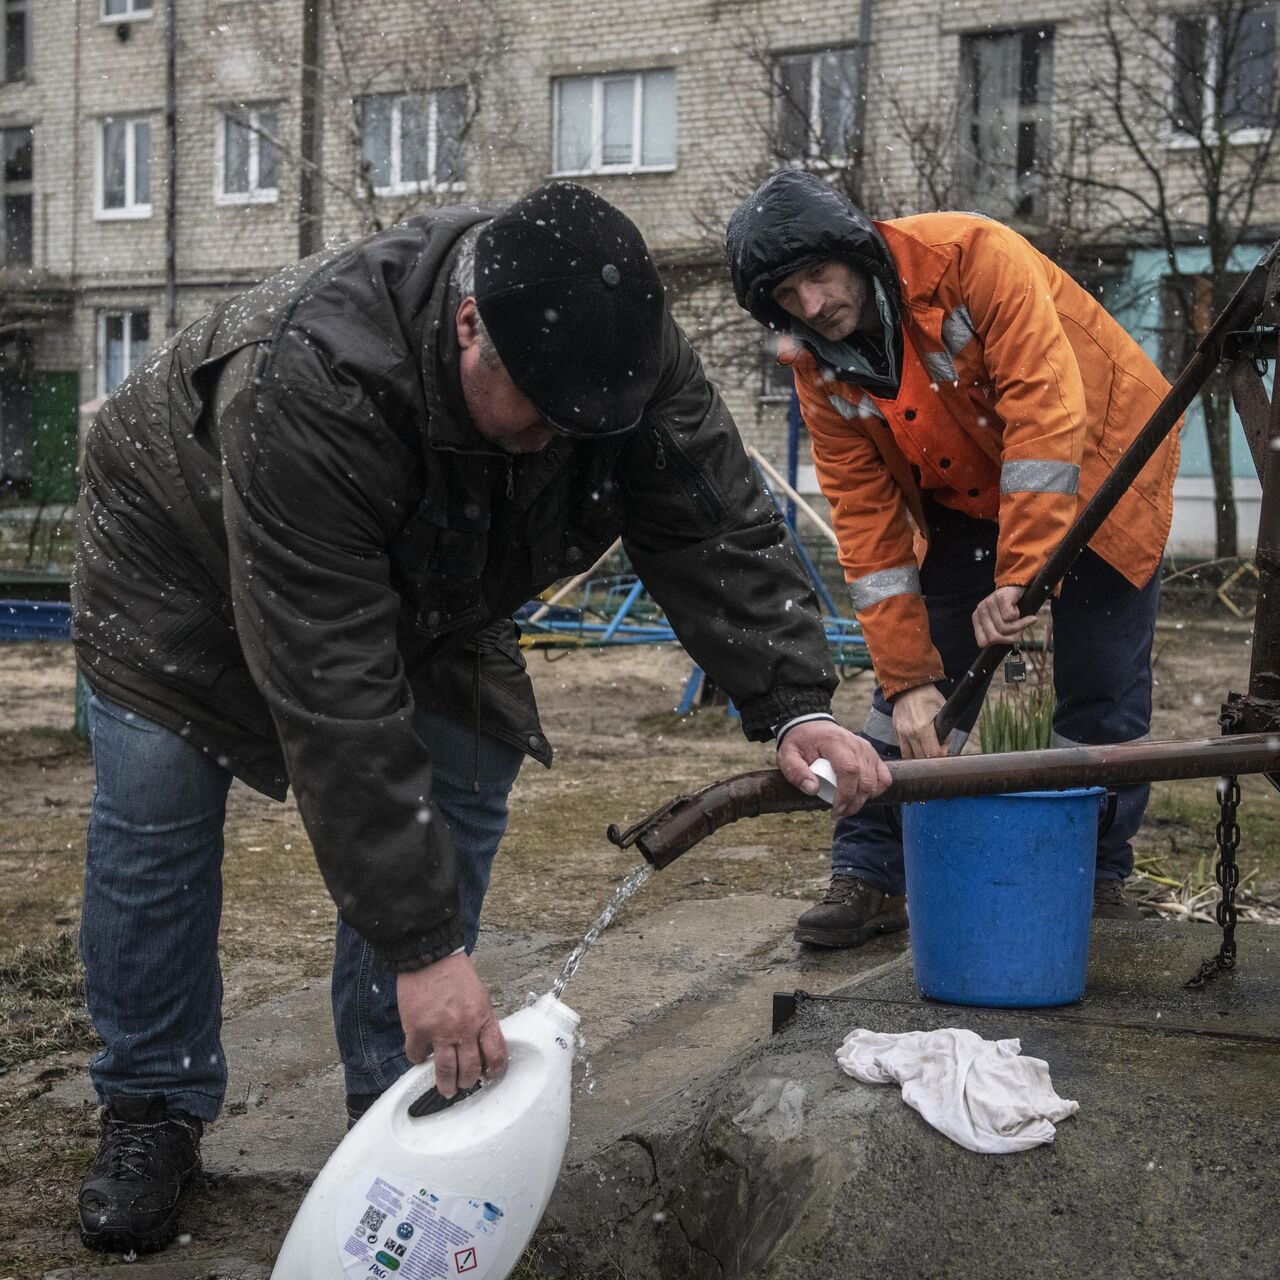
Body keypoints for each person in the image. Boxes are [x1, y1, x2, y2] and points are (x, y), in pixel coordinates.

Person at [70, 180, 890, 1254]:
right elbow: (332, 683)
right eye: (543, 413)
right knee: (158, 818)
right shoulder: (311, 378)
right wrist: (420, 941)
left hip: (443, 569)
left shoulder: (615, 357)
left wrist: (790, 705)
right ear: (469, 326)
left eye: (583, 426)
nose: (561, 439)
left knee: (465, 779)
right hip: (175, 554)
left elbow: (708, 519)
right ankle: (151, 1105)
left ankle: (397, 1088)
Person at [725, 169, 1179, 949]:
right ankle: (870, 877)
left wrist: (1020, 581)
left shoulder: (974, 256)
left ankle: (1095, 880)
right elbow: (867, 530)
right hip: (969, 495)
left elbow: (1046, 413)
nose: (811, 305)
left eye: (817, 277)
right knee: (907, 696)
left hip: (1108, 467)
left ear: (854, 249)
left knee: (1100, 693)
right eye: (786, 297)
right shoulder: (817, 371)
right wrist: (906, 681)